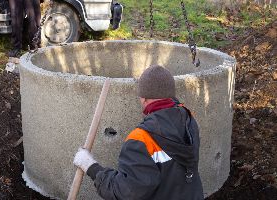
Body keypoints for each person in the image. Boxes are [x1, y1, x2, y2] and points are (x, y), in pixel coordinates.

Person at [74, 65, 204, 200]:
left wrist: (91, 166)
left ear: (143, 98)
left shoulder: (141, 139)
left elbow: (125, 193)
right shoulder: (189, 119)